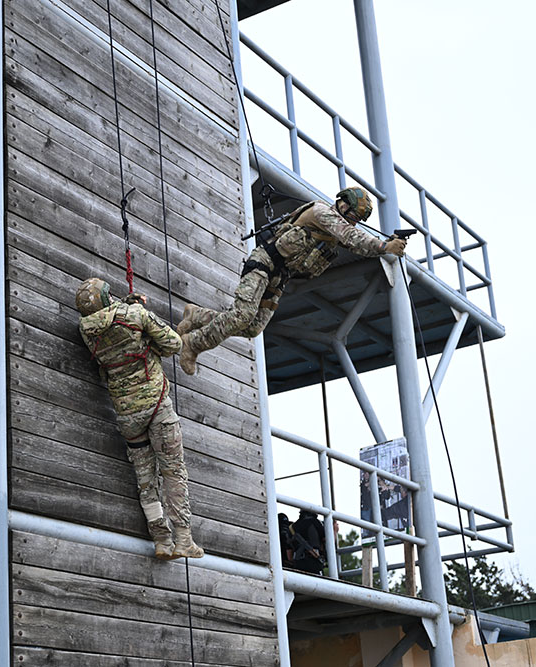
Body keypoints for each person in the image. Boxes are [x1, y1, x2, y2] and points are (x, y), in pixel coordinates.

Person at [177, 186, 408, 374]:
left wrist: (386, 245)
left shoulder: (337, 229)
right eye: (354, 217)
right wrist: (385, 246)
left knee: (253, 328)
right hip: (264, 263)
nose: (354, 223)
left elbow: (356, 243)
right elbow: (352, 237)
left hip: (279, 278)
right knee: (242, 315)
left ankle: (196, 316)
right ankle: (193, 344)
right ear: (343, 205)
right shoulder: (322, 213)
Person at [76, 277, 204, 560]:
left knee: (146, 479)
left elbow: (113, 327)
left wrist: (130, 310)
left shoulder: (86, 331)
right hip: (157, 406)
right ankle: (183, 539)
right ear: (108, 297)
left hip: (127, 414)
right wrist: (143, 315)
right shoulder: (136, 315)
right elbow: (172, 344)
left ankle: (161, 539)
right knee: (173, 471)